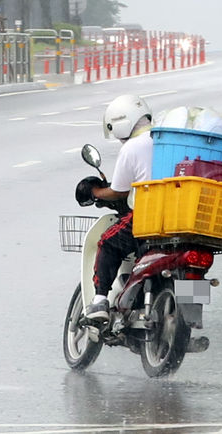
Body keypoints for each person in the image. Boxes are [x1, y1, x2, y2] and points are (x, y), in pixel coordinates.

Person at [85, 94, 154, 321]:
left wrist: (95, 192)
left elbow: (120, 190)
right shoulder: (166, 138)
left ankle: (100, 302)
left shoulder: (133, 146)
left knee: (107, 243)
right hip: (186, 219)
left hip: (149, 218)